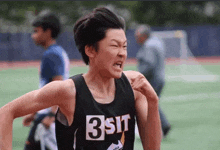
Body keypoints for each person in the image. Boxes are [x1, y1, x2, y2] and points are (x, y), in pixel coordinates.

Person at [0, 7, 161, 150]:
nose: (122, 53)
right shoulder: (68, 92)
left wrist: (153, 102)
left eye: (124, 46)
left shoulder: (133, 86)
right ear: (91, 50)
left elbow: (152, 148)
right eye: (114, 45)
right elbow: (7, 112)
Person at [22, 11, 70, 150]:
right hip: (47, 115)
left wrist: (50, 115)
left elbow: (57, 85)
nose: (33, 36)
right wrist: (34, 113)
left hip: (47, 119)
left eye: (36, 31)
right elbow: (48, 88)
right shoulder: (58, 51)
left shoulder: (51, 55)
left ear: (47, 32)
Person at [135, 24, 171, 138]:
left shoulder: (149, 46)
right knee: (151, 103)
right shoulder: (156, 43)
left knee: (148, 103)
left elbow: (149, 64)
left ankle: (161, 126)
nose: (136, 39)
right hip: (159, 78)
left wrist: (139, 75)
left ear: (144, 36)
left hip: (153, 80)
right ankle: (162, 126)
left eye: (138, 36)